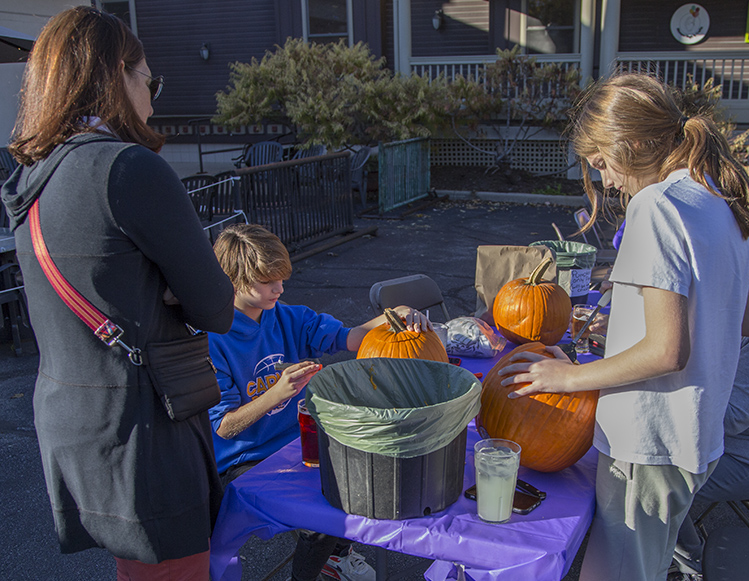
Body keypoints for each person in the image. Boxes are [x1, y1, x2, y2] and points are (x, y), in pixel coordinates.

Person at [0, 7, 235, 580]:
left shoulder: (36, 177)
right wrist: (172, 290)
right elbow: (216, 307)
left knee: (135, 569)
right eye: (148, 80)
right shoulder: (130, 169)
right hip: (143, 426)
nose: (152, 96)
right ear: (115, 77)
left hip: (73, 416)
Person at [497, 73, 749, 581]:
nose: (606, 182)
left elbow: (666, 351)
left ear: (633, 143)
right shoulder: (721, 201)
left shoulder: (656, 205)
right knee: (648, 566)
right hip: (694, 439)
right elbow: (746, 319)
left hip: (649, 440)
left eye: (602, 164)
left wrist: (566, 377)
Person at [208, 223, 431, 581]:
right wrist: (277, 394)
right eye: (268, 282)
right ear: (234, 279)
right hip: (244, 460)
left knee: (363, 477)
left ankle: (337, 554)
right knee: (322, 519)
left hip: (296, 444)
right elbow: (224, 426)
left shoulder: (289, 317)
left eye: (282, 278)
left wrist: (394, 316)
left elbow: (350, 337)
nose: (279, 289)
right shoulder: (213, 340)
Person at [670, 219, 749, 578]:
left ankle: (693, 565)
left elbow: (736, 415)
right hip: (724, 443)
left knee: (662, 480)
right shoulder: (730, 312)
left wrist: (664, 395)